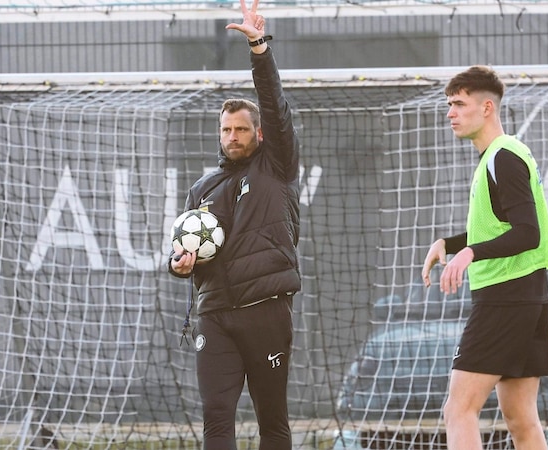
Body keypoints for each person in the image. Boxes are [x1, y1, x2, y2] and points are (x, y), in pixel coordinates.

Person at [168, 0, 300, 448]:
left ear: (258, 134)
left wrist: (258, 48)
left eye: (241, 130)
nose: (232, 137)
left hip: (265, 310)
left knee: (272, 421)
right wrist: (180, 265)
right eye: (225, 130)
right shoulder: (202, 189)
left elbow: (274, 104)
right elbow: (185, 254)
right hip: (215, 315)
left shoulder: (276, 166)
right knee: (216, 415)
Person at [421, 65, 548, 450]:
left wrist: (470, 252)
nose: (451, 112)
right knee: (521, 420)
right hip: (528, 296)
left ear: (486, 108)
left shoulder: (503, 157)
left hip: (505, 298)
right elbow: (501, 227)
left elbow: (527, 234)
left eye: (459, 104)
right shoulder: (499, 156)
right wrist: (449, 244)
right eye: (449, 104)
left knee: (459, 409)